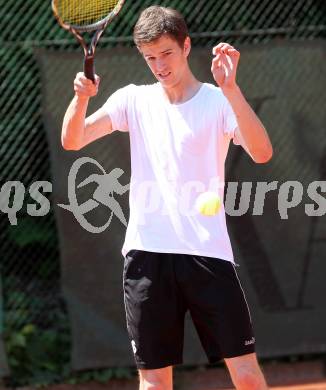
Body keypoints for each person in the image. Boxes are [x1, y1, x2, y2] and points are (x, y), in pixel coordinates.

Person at [61, 5, 272, 390]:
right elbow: (74, 139)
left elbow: (261, 152)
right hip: (147, 256)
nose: (159, 65)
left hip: (208, 254)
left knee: (246, 376)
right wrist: (81, 99)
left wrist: (232, 89)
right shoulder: (133, 100)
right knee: (154, 382)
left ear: (186, 46)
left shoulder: (216, 102)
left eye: (166, 54)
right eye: (150, 57)